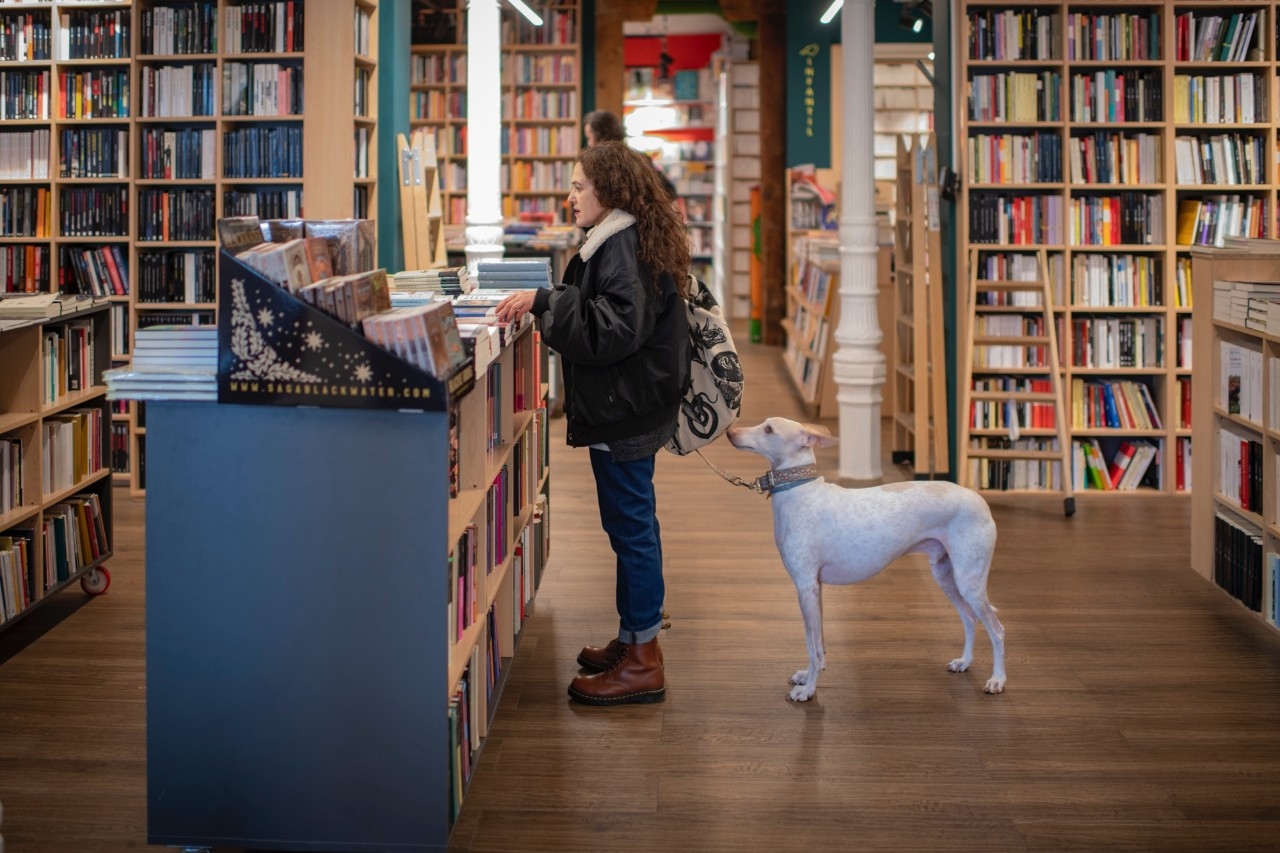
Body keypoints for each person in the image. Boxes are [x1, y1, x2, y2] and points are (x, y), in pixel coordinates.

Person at [495, 141, 691, 706]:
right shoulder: (622, 237)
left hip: (625, 408)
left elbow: (612, 330)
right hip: (629, 404)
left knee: (631, 528)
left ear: (610, 189)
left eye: (579, 186)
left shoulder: (619, 244)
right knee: (631, 524)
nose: (570, 196)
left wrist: (544, 301)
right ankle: (634, 638)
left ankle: (643, 660)